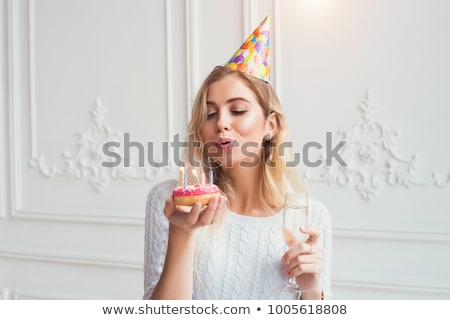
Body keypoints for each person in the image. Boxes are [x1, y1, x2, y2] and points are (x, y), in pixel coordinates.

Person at [143, 16, 332, 300]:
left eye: (238, 110)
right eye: (210, 113)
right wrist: (182, 233)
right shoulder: (172, 203)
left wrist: (312, 290)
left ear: (271, 125)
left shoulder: (310, 215)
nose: (221, 123)